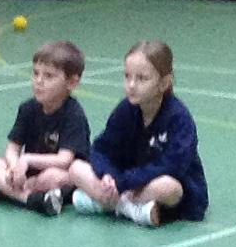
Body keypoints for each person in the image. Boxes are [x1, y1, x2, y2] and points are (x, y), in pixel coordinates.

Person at [69, 40, 208, 226]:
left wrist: (124, 182)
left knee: (168, 187)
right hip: (126, 185)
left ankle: (107, 203)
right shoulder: (125, 109)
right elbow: (101, 149)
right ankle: (128, 208)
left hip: (160, 189)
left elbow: (172, 166)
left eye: (142, 78)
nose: (131, 85)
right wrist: (108, 175)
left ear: (164, 83)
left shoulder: (178, 118)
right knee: (76, 168)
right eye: (127, 76)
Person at [0, 40, 92, 213]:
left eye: (49, 76)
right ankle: (30, 199)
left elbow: (64, 160)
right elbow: (13, 148)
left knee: (50, 178)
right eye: (36, 73)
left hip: (60, 174)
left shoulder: (74, 114)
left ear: (72, 83)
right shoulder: (28, 108)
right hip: (27, 173)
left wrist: (27, 159)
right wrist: (14, 167)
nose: (39, 81)